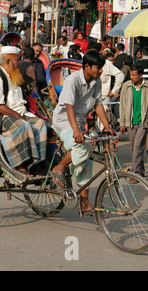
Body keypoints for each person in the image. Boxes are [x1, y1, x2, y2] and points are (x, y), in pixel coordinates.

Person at [51, 50, 115, 217]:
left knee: (87, 160)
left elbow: (98, 105)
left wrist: (108, 127)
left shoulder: (96, 81)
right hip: (64, 121)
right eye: (98, 67)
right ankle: (60, 167)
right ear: (87, 67)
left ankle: (85, 203)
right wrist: (75, 130)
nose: (100, 71)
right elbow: (69, 106)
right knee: (82, 147)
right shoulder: (73, 80)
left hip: (79, 122)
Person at [0, 46, 48, 176]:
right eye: (17, 60)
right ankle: (19, 166)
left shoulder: (14, 76)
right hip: (3, 117)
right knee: (23, 125)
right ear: (8, 62)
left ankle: (36, 163)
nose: (19, 63)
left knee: (40, 124)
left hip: (21, 113)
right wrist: (18, 116)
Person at [119, 64, 148, 177]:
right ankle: (140, 171)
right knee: (134, 148)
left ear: (140, 75)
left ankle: (134, 173)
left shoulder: (146, 87)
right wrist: (122, 122)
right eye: (130, 74)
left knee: (137, 148)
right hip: (130, 122)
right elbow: (122, 105)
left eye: (134, 75)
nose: (131, 77)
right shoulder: (126, 86)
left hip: (143, 122)